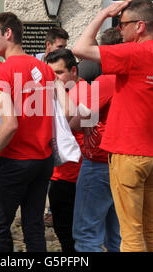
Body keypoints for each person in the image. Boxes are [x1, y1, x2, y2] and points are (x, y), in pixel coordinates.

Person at [72, 0, 153, 252]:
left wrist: (103, 13)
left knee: (131, 235)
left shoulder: (133, 52)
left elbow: (80, 49)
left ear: (139, 26)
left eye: (122, 24)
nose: (119, 29)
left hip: (128, 153)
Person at [0, 12, 57, 252]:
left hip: (15, 161)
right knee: (34, 226)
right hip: (43, 160)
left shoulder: (0, 73)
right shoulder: (45, 70)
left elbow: (11, 123)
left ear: (8, 33)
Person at [45, 48, 91, 252]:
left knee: (70, 232)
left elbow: (65, 121)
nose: (54, 78)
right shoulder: (65, 91)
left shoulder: (81, 91)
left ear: (73, 71)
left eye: (58, 73)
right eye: (50, 73)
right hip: (61, 172)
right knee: (64, 231)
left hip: (72, 175)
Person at [70, 73, 122, 252]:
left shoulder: (106, 80)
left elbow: (77, 122)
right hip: (126, 160)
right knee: (118, 235)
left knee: (87, 234)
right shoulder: (137, 77)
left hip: (100, 161)